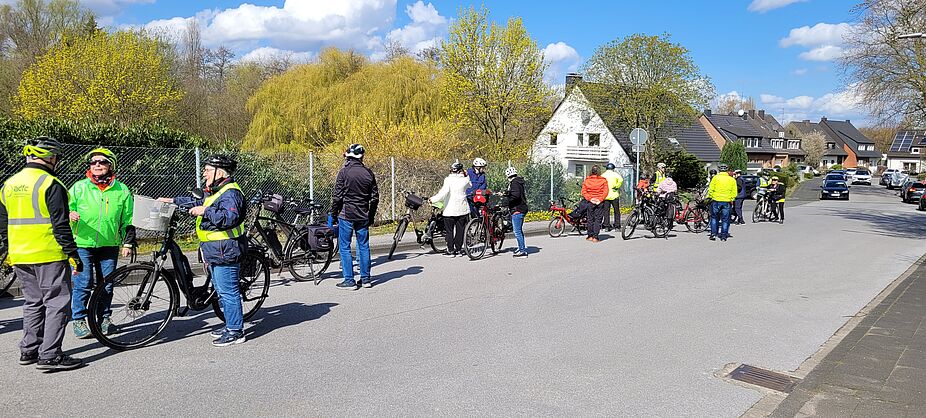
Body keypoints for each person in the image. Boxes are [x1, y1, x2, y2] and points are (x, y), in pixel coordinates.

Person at [0, 137, 84, 370]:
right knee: (57, 303)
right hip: (48, 253)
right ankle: (50, 355)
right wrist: (73, 253)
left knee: (32, 302)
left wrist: (11, 245)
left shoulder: (9, 184)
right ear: (50, 157)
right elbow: (60, 224)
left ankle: (29, 350)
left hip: (20, 254)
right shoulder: (50, 184)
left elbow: (2, 222)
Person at [159, 154, 247, 347]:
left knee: (228, 292)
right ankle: (230, 325)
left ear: (219, 172)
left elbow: (229, 218)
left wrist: (205, 212)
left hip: (227, 250)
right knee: (221, 290)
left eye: (207, 170)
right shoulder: (216, 191)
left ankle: (235, 331)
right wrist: (172, 200)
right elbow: (197, 202)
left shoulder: (231, 193)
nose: (204, 173)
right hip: (215, 250)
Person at [68, 148, 136, 339]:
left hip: (110, 245)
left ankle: (104, 319)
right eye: (93, 162)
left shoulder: (121, 189)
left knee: (107, 285)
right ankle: (79, 320)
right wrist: (69, 214)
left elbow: (128, 219)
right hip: (82, 244)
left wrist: (128, 243)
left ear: (110, 165)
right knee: (84, 282)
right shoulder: (79, 187)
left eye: (102, 161)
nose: (97, 165)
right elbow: (65, 209)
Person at [329, 144, 379, 290]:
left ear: (349, 156)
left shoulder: (344, 172)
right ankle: (366, 279)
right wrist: (371, 215)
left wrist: (333, 213)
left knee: (344, 247)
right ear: (362, 156)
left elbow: (337, 197)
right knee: (363, 245)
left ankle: (349, 280)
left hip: (346, 214)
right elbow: (375, 197)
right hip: (363, 215)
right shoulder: (368, 173)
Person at [429, 161, 470, 258]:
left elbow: (443, 193)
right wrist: (465, 175)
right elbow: (470, 185)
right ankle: (459, 249)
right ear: (461, 171)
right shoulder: (465, 180)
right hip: (462, 209)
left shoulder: (448, 180)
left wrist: (432, 199)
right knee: (460, 230)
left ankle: (451, 250)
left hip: (450, 210)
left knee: (449, 231)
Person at [707, 164, 737, 241]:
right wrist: (731, 198)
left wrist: (711, 196)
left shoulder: (715, 178)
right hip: (726, 201)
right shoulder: (732, 180)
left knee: (714, 218)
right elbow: (734, 192)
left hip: (716, 200)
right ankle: (723, 236)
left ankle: (713, 234)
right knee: (725, 219)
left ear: (719, 170)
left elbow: (711, 189)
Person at [504, 166, 529, 258]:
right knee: (519, 231)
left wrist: (506, 202)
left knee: (517, 231)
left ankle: (522, 251)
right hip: (521, 208)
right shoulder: (518, 182)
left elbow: (515, 195)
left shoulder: (514, 183)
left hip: (517, 209)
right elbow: (515, 193)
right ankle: (521, 248)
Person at [581, 165, 609, 242]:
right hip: (600, 202)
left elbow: (584, 191)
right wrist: (600, 199)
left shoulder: (587, 180)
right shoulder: (603, 180)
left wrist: (590, 199)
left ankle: (590, 235)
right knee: (598, 220)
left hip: (590, 202)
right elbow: (606, 191)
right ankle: (595, 237)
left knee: (590, 219)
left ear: (591, 171)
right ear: (599, 172)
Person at [601, 162, 624, 231]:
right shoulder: (615, 174)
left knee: (606, 211)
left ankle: (607, 226)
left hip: (606, 196)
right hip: (614, 195)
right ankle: (617, 226)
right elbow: (621, 180)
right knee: (616, 211)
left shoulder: (603, 175)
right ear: (613, 168)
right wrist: (617, 186)